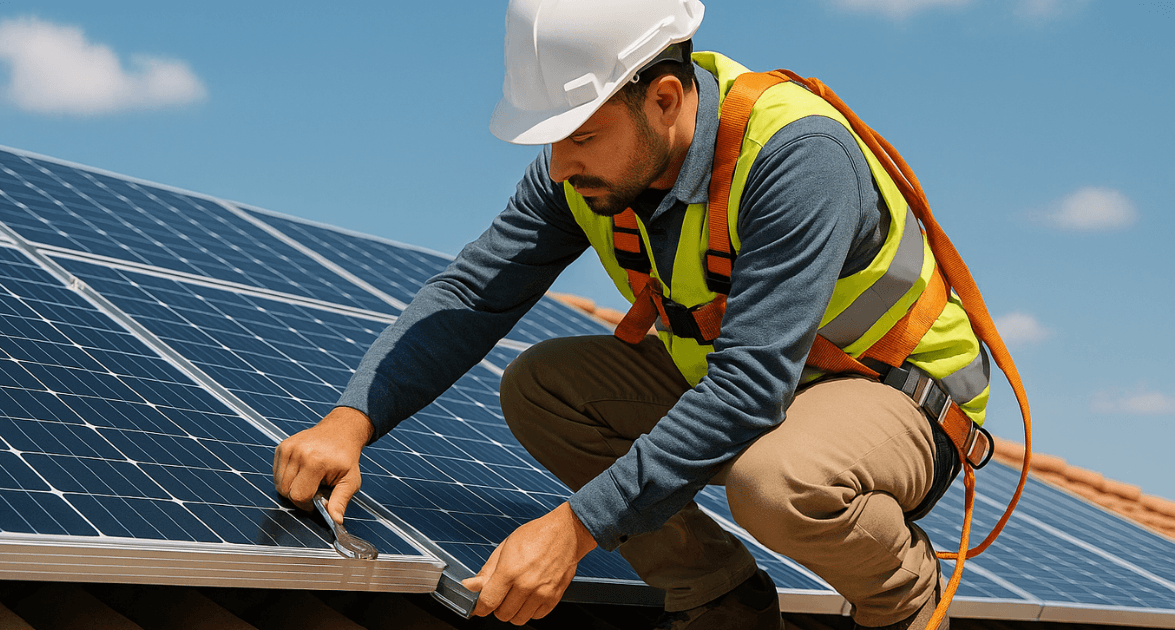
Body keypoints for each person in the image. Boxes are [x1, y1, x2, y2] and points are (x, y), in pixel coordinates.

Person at [273, 1, 994, 628]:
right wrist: (351, 419)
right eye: (551, 138)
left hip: (898, 396)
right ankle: (723, 603)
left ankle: (902, 596)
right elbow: (473, 294)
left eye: (580, 135)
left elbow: (749, 389)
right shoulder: (581, 171)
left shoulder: (797, 154)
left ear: (666, 98)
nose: (558, 167)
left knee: (775, 481)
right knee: (542, 387)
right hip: (759, 383)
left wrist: (575, 530)